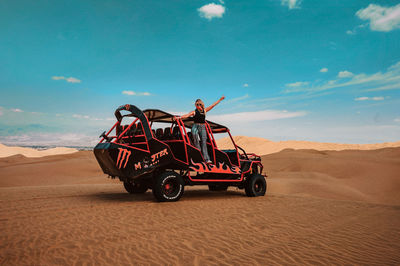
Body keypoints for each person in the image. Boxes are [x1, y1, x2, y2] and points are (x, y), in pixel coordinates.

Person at [179, 96, 225, 163]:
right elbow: (187, 115)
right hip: (195, 126)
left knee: (204, 142)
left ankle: (206, 159)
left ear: (202, 105)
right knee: (196, 140)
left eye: (199, 104)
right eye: (197, 104)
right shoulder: (194, 112)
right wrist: (179, 117)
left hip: (203, 127)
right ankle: (199, 156)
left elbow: (213, 105)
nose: (198, 106)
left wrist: (220, 100)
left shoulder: (205, 111)